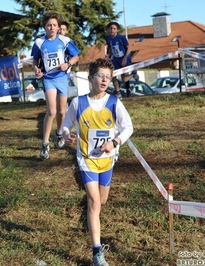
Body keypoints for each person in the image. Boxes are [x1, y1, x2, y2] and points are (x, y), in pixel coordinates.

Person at [62, 58, 134, 266]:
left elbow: (128, 127)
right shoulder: (78, 102)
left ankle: (91, 218)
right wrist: (67, 134)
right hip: (86, 160)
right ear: (91, 78)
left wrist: (115, 141)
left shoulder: (113, 102)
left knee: (101, 202)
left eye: (108, 77)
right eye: (100, 76)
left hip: (107, 161)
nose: (104, 80)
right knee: (94, 202)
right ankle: (97, 253)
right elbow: (66, 124)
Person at [31, 12, 81, 160]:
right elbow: (35, 60)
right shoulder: (39, 43)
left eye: (54, 25)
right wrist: (36, 69)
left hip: (62, 78)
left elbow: (76, 56)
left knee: (61, 111)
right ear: (45, 27)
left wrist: (68, 64)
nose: (51, 27)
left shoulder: (65, 41)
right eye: (48, 25)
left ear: (58, 27)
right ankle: (45, 143)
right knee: (51, 111)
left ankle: (59, 134)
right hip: (48, 79)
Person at [105, 21, 132, 100]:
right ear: (108, 29)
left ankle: (133, 74)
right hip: (115, 59)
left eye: (114, 28)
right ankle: (118, 92)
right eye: (111, 28)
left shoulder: (121, 38)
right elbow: (110, 48)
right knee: (112, 75)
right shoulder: (108, 38)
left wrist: (125, 57)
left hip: (124, 58)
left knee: (124, 79)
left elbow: (129, 47)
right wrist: (108, 56)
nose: (112, 30)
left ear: (117, 30)